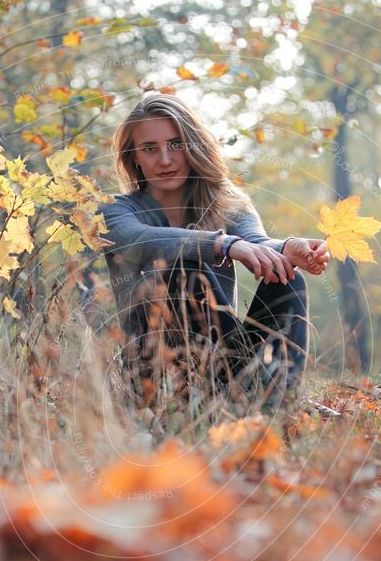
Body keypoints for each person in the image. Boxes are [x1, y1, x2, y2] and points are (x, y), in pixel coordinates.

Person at [97, 93, 329, 409]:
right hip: (156, 369)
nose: (165, 159)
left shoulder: (226, 202)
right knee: (184, 271)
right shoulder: (116, 211)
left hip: (225, 358)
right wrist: (222, 244)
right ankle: (241, 401)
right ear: (134, 157)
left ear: (193, 145)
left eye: (176, 144)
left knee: (286, 278)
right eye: (150, 148)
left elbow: (255, 242)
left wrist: (286, 248)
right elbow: (141, 238)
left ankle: (279, 405)